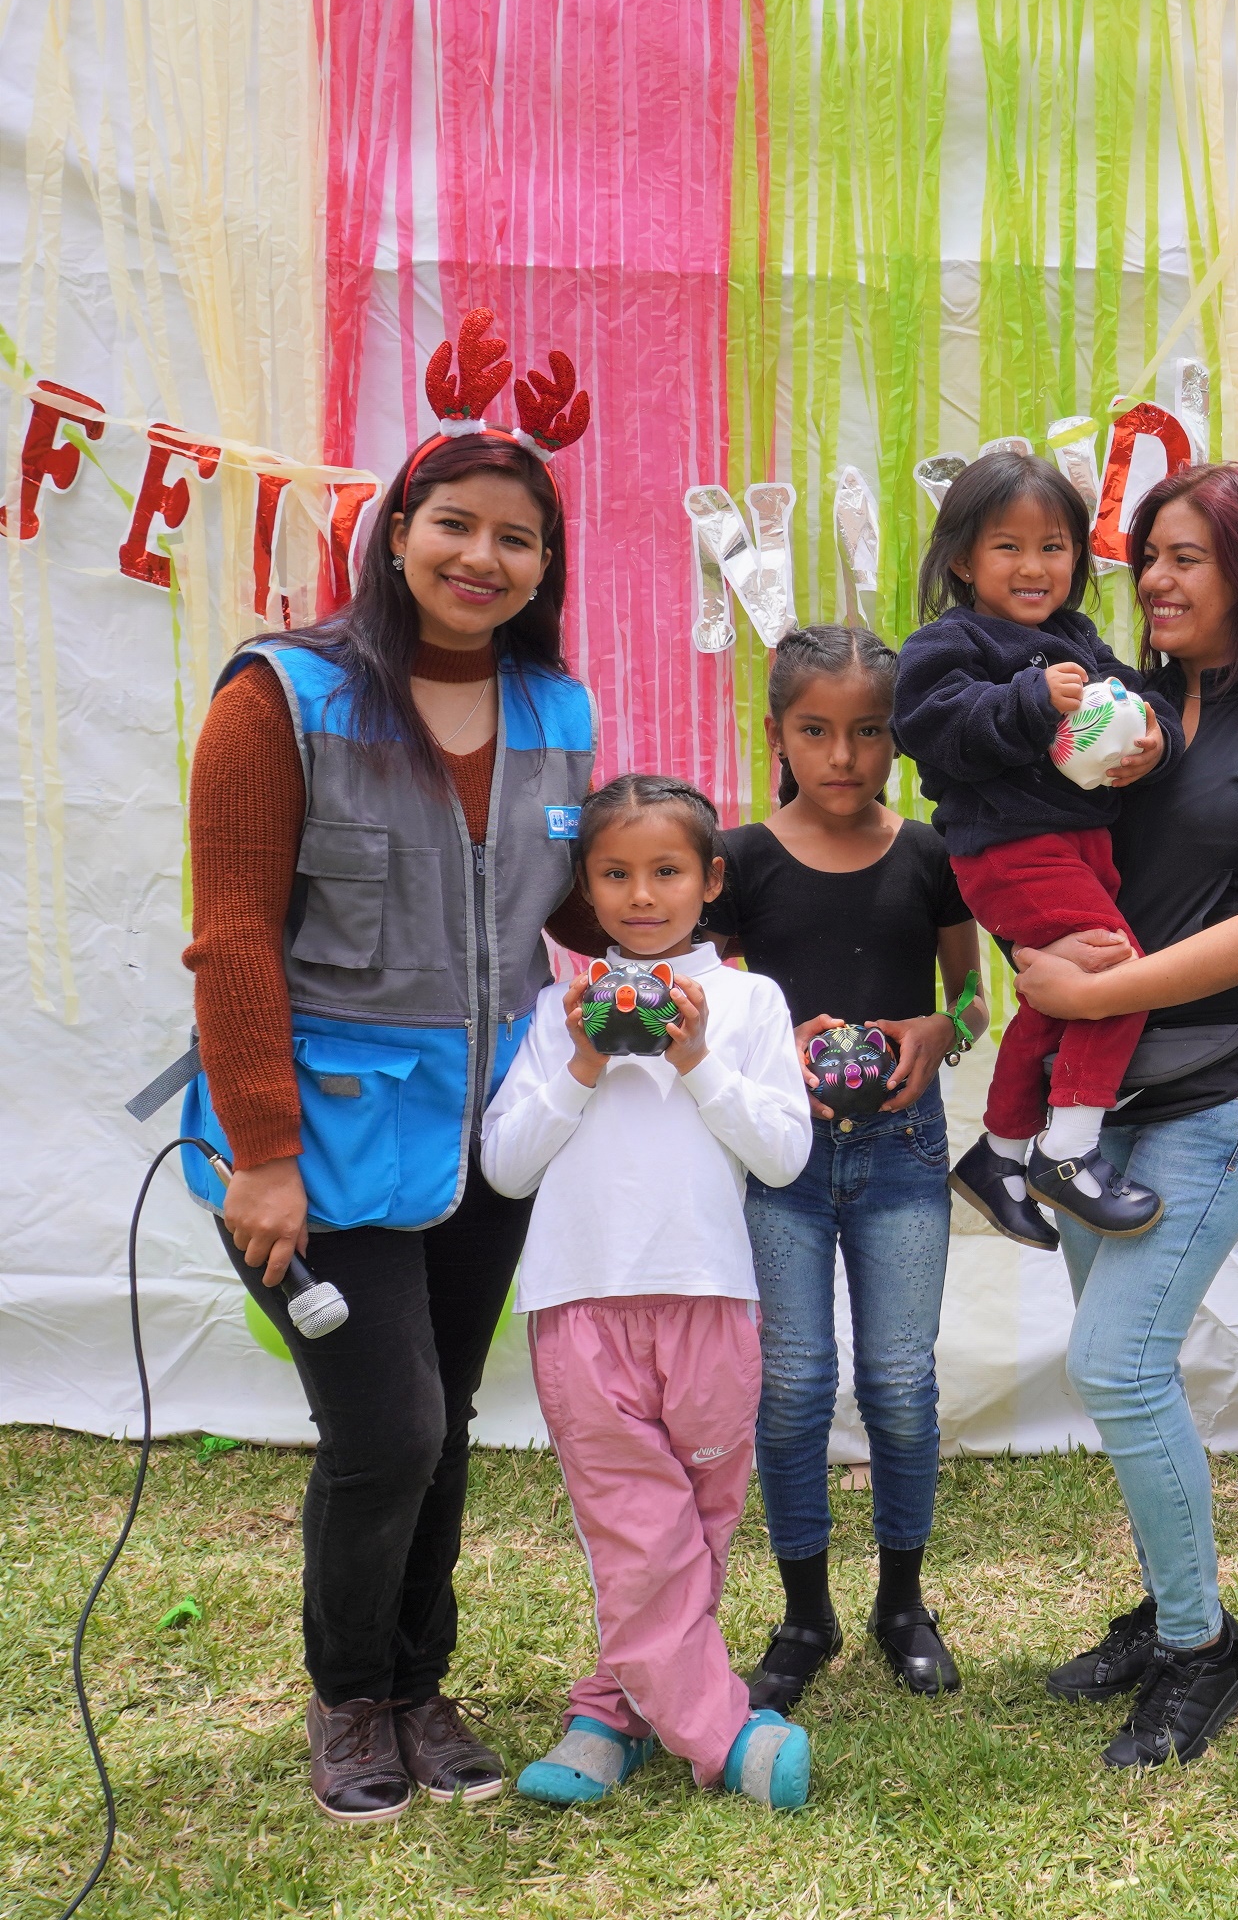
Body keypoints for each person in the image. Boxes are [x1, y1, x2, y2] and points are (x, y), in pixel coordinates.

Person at [176, 321, 601, 1822]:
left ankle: (424, 1682)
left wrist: (718, 940)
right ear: (395, 533)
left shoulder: (559, 711)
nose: (481, 557)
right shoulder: (281, 696)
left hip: (491, 1137)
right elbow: (230, 936)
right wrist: (263, 1152)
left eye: (516, 537)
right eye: (454, 525)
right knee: (389, 1426)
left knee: (450, 1418)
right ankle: (350, 1693)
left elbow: (576, 902)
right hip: (323, 1141)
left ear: (547, 563)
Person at [1004, 463, 1238, 1767]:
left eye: (1188, 555)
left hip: (1216, 1089)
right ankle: (1171, 1607)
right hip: (1088, 1101)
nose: (1153, 575)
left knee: (1113, 1361)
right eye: (1146, 553)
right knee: (1122, 1366)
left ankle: (1205, 1648)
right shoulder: (1123, 703)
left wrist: (1096, 982)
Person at [481, 774, 815, 1811]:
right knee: (635, 1526)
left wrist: (698, 1056)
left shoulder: (752, 1004)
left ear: (709, 881)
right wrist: (582, 1061)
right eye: (614, 875)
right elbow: (505, 1166)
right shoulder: (556, 1015)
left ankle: (608, 1713)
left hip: (712, 1298)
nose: (640, 895)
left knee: (696, 1525)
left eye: (664, 871)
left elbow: (784, 1157)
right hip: (581, 1303)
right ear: (585, 889)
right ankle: (724, 1739)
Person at [709, 624, 988, 1711]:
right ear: (777, 732)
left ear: (898, 741)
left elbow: (972, 1000)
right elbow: (712, 1015)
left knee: (899, 1386)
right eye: (816, 732)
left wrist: (937, 1028)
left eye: (869, 733)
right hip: (778, 1158)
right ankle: (805, 1612)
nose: (843, 757)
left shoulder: (927, 854)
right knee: (793, 1387)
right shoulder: (739, 861)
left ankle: (903, 1604)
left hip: (902, 1151)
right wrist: (768, 1049)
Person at [892, 452, 1176, 1244]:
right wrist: (1025, 697)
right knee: (1122, 976)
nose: (1033, 565)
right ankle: (1068, 1152)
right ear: (961, 560)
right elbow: (933, 727)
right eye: (1007, 547)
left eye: (1053, 547)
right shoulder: (944, 644)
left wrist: (1159, 741)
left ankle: (1001, 1152)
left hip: (1079, 848)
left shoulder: (1076, 636)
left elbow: (1144, 697)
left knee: (1059, 997)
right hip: (1012, 851)